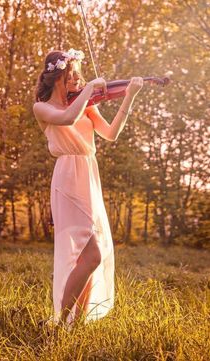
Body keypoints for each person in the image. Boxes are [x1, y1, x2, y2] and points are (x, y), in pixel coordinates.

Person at [33, 48, 143, 331]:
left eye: (82, 76)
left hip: (88, 175)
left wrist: (128, 97)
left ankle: (73, 324)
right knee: (89, 254)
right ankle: (59, 321)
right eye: (75, 74)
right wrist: (91, 88)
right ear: (60, 76)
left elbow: (111, 134)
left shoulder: (85, 104)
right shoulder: (43, 108)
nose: (80, 80)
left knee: (89, 256)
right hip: (67, 177)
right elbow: (68, 118)